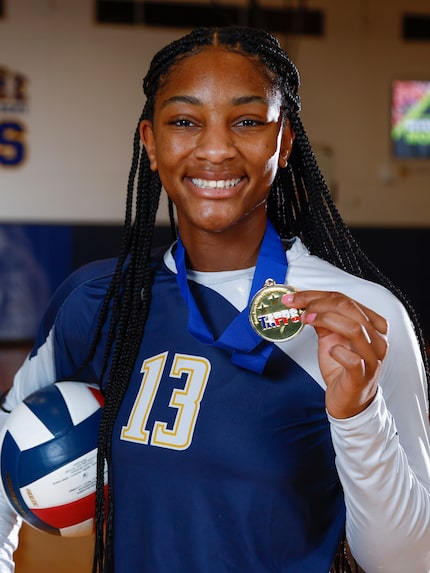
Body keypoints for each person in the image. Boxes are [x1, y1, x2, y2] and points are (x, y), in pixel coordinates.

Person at [1, 26, 429, 573]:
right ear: (150, 143)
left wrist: (360, 416)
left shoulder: (363, 316)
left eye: (248, 121)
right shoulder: (98, 302)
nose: (216, 148)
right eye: (184, 121)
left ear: (284, 141)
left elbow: (409, 561)